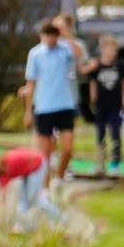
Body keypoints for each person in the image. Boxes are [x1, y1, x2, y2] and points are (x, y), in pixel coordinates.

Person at [22, 17, 81, 181]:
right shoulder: (35, 54)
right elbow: (30, 84)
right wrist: (28, 111)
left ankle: (60, 176)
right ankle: (45, 188)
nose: (49, 39)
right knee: (45, 152)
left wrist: (66, 33)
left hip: (64, 105)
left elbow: (78, 54)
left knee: (68, 149)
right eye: (46, 35)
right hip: (44, 107)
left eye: (52, 35)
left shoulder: (64, 49)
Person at [87, 34, 124, 175]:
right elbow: (92, 82)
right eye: (109, 49)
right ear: (102, 49)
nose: (112, 53)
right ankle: (100, 162)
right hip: (101, 105)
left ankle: (115, 163)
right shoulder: (97, 66)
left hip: (115, 105)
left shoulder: (120, 66)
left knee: (115, 133)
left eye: (114, 50)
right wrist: (93, 97)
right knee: (100, 134)